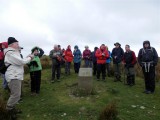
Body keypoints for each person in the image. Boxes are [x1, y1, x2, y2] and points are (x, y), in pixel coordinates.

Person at [4, 37, 33, 118]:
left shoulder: (13, 52)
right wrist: (30, 57)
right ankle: (8, 111)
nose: (18, 45)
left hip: (16, 75)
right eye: (17, 43)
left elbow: (20, 61)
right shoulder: (10, 53)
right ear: (12, 44)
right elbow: (21, 62)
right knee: (16, 95)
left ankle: (12, 109)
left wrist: (27, 57)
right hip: (14, 76)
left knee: (16, 94)